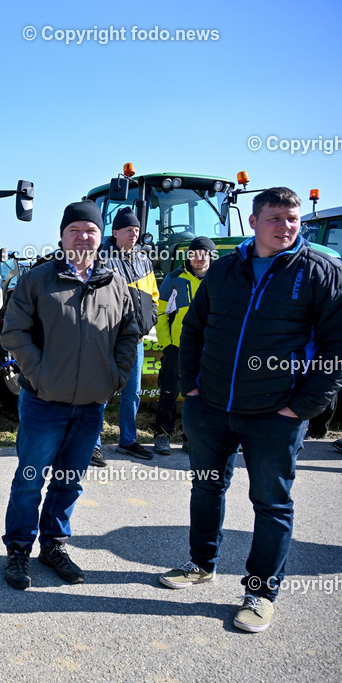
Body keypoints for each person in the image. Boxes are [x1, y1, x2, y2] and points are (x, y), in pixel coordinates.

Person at [160, 187, 342, 633]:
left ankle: (260, 593)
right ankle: (201, 563)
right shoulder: (223, 271)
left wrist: (302, 407)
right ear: (253, 223)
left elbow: (336, 348)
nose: (286, 226)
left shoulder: (319, 272)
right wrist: (192, 389)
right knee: (206, 489)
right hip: (211, 407)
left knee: (271, 503)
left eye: (293, 219)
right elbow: (194, 330)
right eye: (276, 218)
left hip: (275, 414)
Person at [0, 200, 138, 589]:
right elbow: (14, 332)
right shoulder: (38, 279)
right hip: (44, 401)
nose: (83, 235)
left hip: (91, 405)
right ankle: (18, 551)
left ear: (100, 236)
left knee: (69, 480)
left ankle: (54, 546)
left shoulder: (114, 284)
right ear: (62, 236)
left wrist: (115, 376)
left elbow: (129, 334)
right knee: (30, 479)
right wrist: (39, 374)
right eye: (75, 229)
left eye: (90, 230)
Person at [91, 206, 159, 466]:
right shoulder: (102, 258)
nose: (134, 234)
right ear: (115, 231)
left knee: (133, 392)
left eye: (137, 230)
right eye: (129, 230)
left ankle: (128, 440)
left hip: (136, 339)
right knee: (100, 391)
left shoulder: (143, 259)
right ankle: (92, 444)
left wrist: (148, 320)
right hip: (107, 338)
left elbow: (153, 295)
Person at [153, 236, 216, 454]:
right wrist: (166, 343)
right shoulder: (174, 278)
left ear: (210, 256)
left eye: (203, 254)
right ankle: (162, 434)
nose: (198, 258)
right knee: (168, 391)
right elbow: (161, 313)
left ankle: (192, 436)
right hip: (177, 347)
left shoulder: (218, 279)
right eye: (194, 253)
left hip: (208, 348)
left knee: (201, 394)